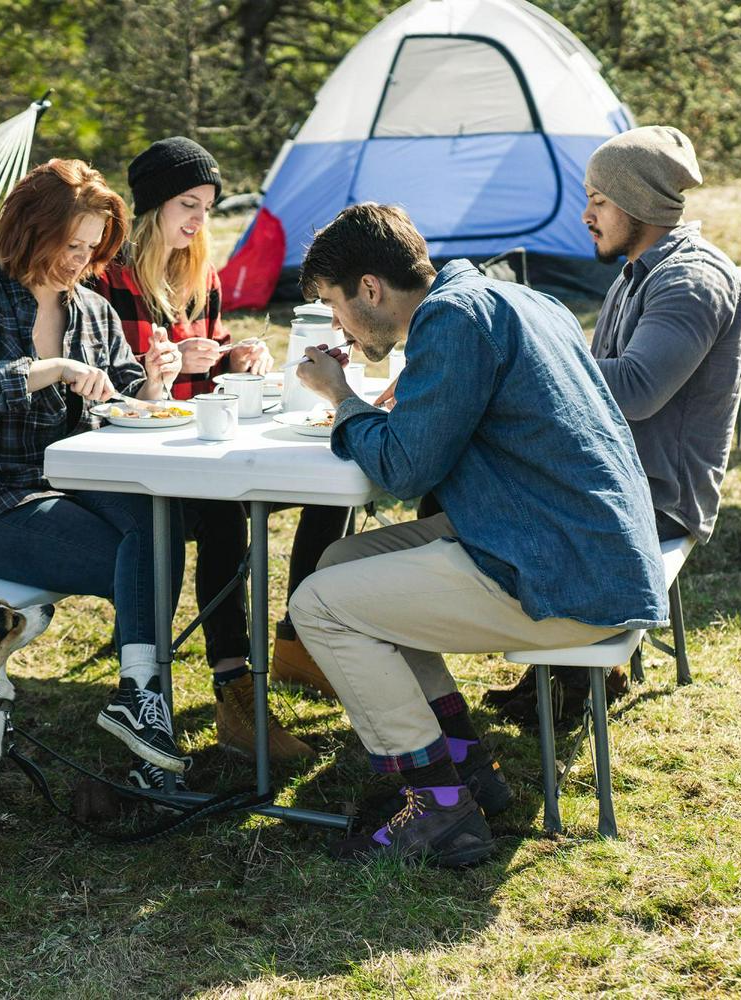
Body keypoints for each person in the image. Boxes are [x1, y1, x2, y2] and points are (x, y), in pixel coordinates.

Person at [287, 203, 668, 866]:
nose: (337, 324)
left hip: (563, 574)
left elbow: (406, 471)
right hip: (579, 545)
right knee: (339, 561)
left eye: (334, 304)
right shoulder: (510, 297)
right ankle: (465, 764)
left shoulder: (452, 318)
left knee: (317, 605)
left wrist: (341, 397)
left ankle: (437, 809)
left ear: (370, 288)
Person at [86, 136, 345, 774]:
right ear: (151, 207)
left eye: (207, 205)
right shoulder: (106, 275)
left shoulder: (199, 271)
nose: (201, 220)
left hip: (202, 438)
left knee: (334, 483)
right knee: (227, 507)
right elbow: (107, 387)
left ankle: (297, 643)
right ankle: (234, 685)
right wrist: (165, 372)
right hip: (143, 457)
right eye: (188, 204)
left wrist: (234, 356)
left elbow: (215, 346)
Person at [0, 158, 191, 779]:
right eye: (70, 245)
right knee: (147, 556)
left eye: (92, 248)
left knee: (160, 523)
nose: (80, 260)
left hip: (77, 482)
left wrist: (153, 385)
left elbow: (124, 396)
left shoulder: (94, 310)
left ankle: (138, 697)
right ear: (30, 230)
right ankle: (147, 709)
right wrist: (54, 369)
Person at [483, 126, 741, 725]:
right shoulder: (644, 268)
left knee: (479, 498)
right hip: (622, 474)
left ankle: (574, 667)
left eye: (598, 200)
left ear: (638, 203)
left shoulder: (690, 281)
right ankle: (560, 664)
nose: (586, 214)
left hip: (657, 494)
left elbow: (635, 389)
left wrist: (528, 366)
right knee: (474, 474)